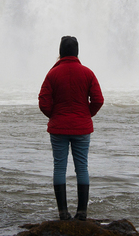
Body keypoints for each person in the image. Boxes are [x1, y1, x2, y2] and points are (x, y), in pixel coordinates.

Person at [38, 35, 104, 221]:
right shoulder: (87, 73)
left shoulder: (52, 74)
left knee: (59, 167)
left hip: (58, 128)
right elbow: (98, 100)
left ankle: (63, 213)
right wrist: (86, 115)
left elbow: (43, 101)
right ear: (77, 52)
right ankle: (81, 213)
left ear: (60, 52)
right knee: (82, 168)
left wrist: (54, 115)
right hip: (82, 128)